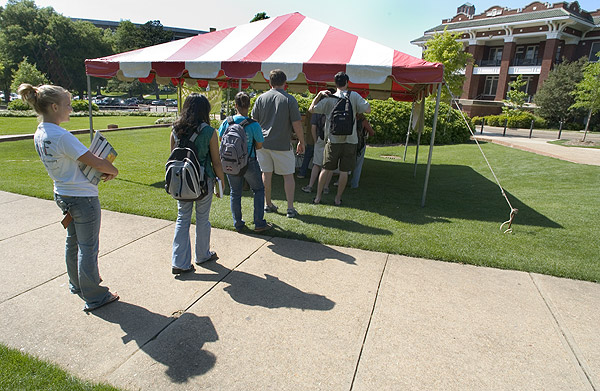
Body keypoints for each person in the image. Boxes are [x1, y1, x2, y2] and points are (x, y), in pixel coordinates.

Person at [19, 83, 119, 312]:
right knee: (88, 246)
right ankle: (95, 295)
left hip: (62, 192)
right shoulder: (62, 136)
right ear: (54, 107)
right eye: (67, 105)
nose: (70, 109)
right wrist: (113, 170)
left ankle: (77, 283)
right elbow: (95, 162)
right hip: (82, 197)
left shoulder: (41, 133)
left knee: (73, 242)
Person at [170, 94, 225, 275]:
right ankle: (202, 255)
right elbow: (216, 162)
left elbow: (173, 156)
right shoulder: (209, 132)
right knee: (203, 219)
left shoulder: (175, 130)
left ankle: (179, 261)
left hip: (181, 181)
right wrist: (221, 182)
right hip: (203, 182)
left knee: (182, 219)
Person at [309, 72, 370, 206]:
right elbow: (368, 109)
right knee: (344, 172)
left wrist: (319, 95)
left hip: (333, 139)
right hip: (351, 140)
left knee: (325, 168)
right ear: (347, 82)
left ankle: (318, 197)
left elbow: (311, 109)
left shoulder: (329, 98)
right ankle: (337, 199)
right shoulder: (353, 96)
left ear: (335, 83)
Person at [251, 69, 305, 218]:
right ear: (285, 82)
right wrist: (302, 141)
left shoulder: (260, 98)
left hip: (262, 143)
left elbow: (253, 122)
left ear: (270, 82)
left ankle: (267, 204)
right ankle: (290, 208)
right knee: (288, 176)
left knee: (266, 174)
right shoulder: (289, 99)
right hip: (282, 144)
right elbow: (297, 123)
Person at [218, 92, 272, 233]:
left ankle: (238, 223)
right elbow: (259, 145)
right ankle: (259, 223)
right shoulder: (254, 125)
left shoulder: (227, 122)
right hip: (249, 162)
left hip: (231, 162)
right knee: (259, 190)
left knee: (235, 192)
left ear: (235, 105)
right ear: (249, 106)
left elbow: (221, 139)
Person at [301, 112, 330, 195]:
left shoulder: (318, 110)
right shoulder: (334, 106)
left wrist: (315, 140)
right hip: (332, 140)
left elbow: (313, 127)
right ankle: (326, 187)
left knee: (316, 164)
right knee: (329, 166)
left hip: (320, 138)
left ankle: (310, 186)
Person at [350, 113, 375, 189]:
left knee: (346, 163)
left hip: (349, 143)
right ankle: (354, 184)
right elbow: (372, 133)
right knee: (358, 165)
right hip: (360, 144)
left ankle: (341, 180)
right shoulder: (363, 121)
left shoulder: (350, 118)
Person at [296, 112, 314, 179]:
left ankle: (302, 173)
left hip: (310, 138)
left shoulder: (310, 111)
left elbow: (306, 123)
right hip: (317, 138)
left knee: (307, 156)